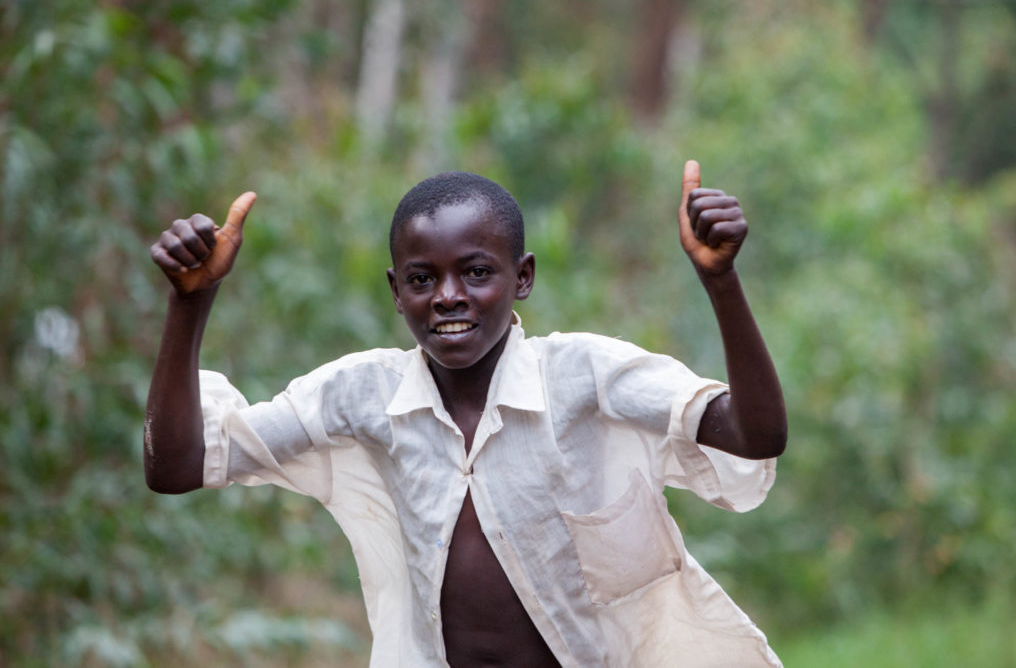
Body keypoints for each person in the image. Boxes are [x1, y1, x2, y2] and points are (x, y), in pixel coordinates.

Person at [145, 162, 787, 667]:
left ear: (523, 277)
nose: (449, 297)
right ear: (397, 292)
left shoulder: (587, 377)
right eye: (423, 279)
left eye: (476, 272)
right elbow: (177, 466)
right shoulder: (363, 396)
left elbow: (755, 436)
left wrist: (721, 281)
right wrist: (190, 303)